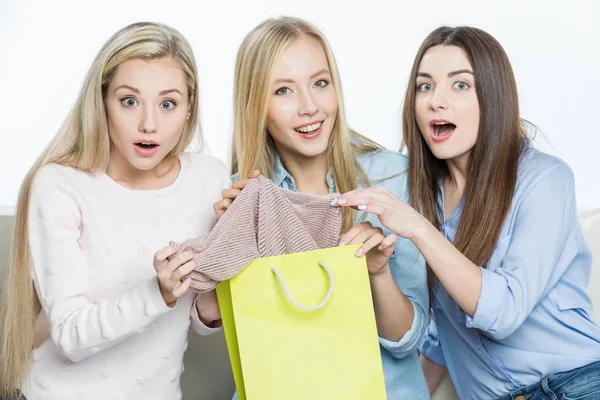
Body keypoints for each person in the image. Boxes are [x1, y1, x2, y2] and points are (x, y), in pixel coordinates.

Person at [333, 26, 600, 400]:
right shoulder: (426, 197)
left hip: (576, 385)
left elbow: (505, 312)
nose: (435, 101)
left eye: (460, 85)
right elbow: (446, 336)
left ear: (493, 98)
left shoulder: (545, 180)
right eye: (424, 86)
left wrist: (420, 230)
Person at [0, 22, 228, 400]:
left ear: (190, 108)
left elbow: (195, 318)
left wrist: (227, 261)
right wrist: (159, 292)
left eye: (168, 103)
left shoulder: (209, 179)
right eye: (129, 101)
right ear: (102, 101)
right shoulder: (60, 184)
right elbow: (71, 337)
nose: (149, 124)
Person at [214, 16, 430, 399]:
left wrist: (378, 273)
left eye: (320, 83)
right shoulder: (239, 195)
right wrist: (231, 242)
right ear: (255, 104)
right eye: (283, 90)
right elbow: (241, 331)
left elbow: (406, 341)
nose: (310, 107)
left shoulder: (392, 178)